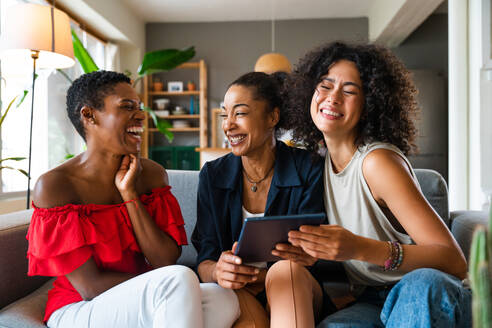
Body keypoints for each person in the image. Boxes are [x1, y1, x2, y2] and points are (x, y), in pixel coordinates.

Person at [27, 70, 239, 328]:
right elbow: (90, 287)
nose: (140, 115)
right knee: (178, 281)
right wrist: (162, 286)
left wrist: (130, 196)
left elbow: (164, 261)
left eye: (139, 108)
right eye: (127, 107)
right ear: (89, 115)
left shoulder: (151, 175)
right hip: (78, 308)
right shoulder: (55, 186)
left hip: (145, 295)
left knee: (223, 298)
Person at [285, 42, 471, 327]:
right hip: (369, 301)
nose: (332, 98)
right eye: (325, 85)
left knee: (425, 285)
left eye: (349, 91)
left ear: (370, 103)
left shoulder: (377, 162)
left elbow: (453, 261)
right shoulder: (315, 165)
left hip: (422, 290)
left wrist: (359, 247)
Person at [192, 71, 328, 327]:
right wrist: (218, 271)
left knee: (284, 271)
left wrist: (265, 275)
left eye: (240, 113)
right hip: (239, 291)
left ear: (272, 117)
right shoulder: (212, 175)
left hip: (295, 286)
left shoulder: (309, 167)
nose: (228, 125)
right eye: (225, 114)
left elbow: (317, 256)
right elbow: (205, 258)